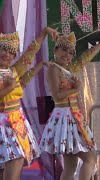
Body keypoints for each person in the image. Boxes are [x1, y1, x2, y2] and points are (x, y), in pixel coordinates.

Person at [39, 32, 100, 180]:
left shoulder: (68, 70)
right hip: (65, 117)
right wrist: (76, 88)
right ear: (55, 50)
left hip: (73, 117)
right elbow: (57, 95)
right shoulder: (54, 69)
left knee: (71, 166)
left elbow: (86, 57)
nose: (67, 54)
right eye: (64, 50)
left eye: (71, 52)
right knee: (90, 158)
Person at [0, 27, 58, 180]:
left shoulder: (13, 71)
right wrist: (9, 87)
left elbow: (29, 54)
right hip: (2, 123)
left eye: (11, 51)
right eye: (3, 49)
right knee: (14, 161)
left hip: (17, 121)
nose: (6, 54)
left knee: (17, 162)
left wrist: (44, 33)